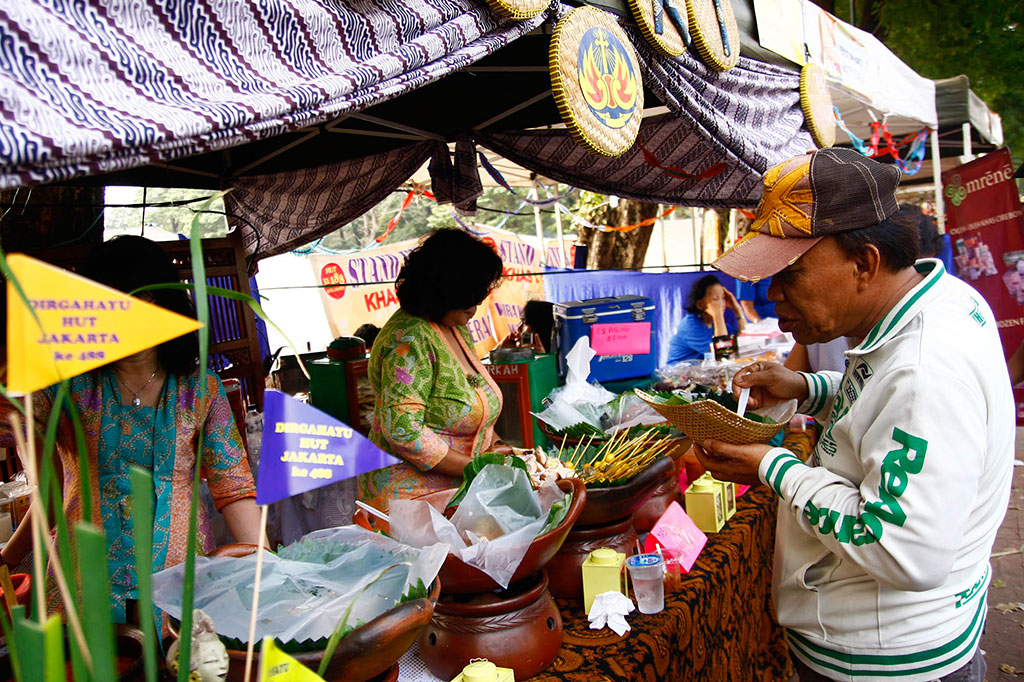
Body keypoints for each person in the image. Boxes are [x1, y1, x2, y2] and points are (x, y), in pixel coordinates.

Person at [696, 148, 1012, 682]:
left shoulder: (924, 368)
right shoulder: (938, 303)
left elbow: (902, 549)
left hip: (885, 658)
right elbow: (889, 410)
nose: (774, 298)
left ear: (864, 263)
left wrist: (773, 468)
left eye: (790, 276)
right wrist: (808, 386)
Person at [0, 236, 261, 623]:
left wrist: (267, 571)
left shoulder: (199, 388)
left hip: (181, 588)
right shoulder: (62, 386)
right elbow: (26, 450)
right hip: (83, 587)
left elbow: (233, 487)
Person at [357, 229, 508, 511]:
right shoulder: (408, 339)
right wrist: (478, 469)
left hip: (460, 491)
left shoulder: (453, 327)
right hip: (413, 503)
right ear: (444, 289)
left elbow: (476, 402)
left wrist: (497, 446)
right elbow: (405, 432)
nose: (476, 306)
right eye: (470, 296)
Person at [666, 274, 746, 364]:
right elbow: (721, 353)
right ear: (700, 304)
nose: (721, 304)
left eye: (723, 298)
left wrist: (738, 311)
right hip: (679, 374)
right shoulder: (690, 326)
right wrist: (718, 315)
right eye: (716, 299)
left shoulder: (714, 324)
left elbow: (744, 340)